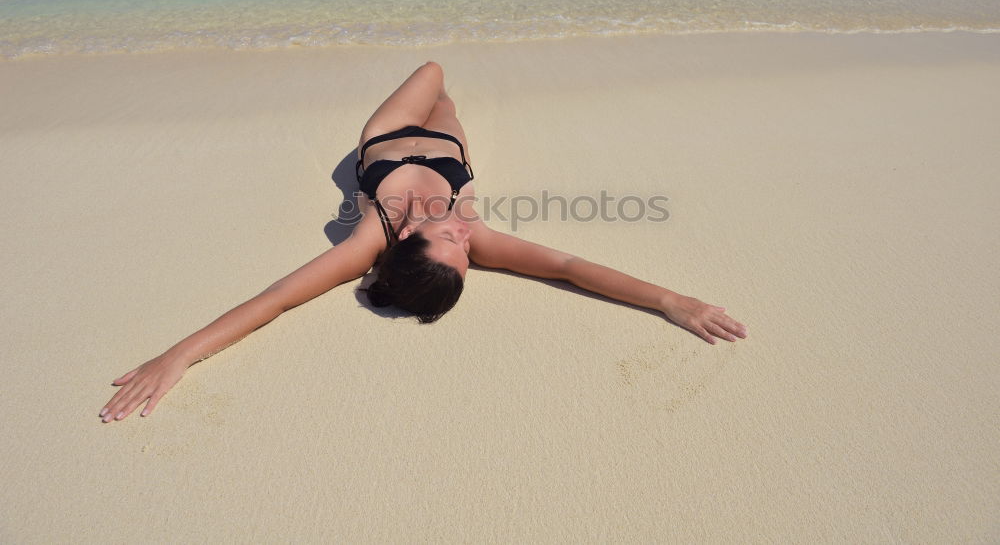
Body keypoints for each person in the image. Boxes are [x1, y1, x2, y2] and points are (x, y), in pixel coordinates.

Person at [99, 62, 747, 423]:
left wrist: (178, 354)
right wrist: (673, 300)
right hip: (449, 153)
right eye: (466, 249)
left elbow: (275, 299)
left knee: (435, 71)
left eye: (453, 240)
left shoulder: (367, 238)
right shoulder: (475, 237)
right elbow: (571, 266)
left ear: (406, 237)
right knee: (444, 87)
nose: (467, 235)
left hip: (382, 138)